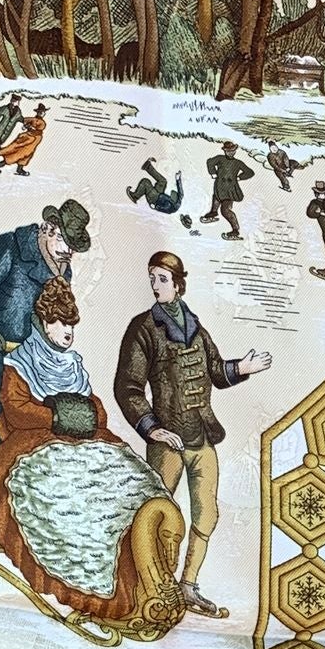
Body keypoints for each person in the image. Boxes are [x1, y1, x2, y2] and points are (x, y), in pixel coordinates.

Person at [0, 278, 183, 633]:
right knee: (72, 501)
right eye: (59, 322)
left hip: (90, 443)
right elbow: (18, 411)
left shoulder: (72, 365)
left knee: (132, 482)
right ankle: (106, 592)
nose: (67, 331)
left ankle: (149, 578)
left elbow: (98, 411)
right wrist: (61, 416)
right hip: (34, 447)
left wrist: (80, 415)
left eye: (71, 324)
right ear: (43, 323)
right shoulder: (20, 363)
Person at [113, 251, 273, 620]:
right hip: (166, 440)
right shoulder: (143, 328)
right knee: (156, 513)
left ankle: (188, 585)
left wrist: (241, 367)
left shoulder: (196, 327)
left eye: (162, 279)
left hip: (201, 436)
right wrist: (152, 428)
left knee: (207, 515)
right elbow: (128, 387)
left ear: (178, 284)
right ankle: (149, 586)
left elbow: (215, 371)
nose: (155, 286)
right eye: (152, 278)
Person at [0, 199, 89, 491]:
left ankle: (9, 486)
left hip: (33, 357)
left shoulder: (63, 269)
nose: (68, 251)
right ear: (48, 228)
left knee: (27, 419)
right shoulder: (11, 248)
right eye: (64, 241)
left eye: (73, 246)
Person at [204, 140, 253, 237]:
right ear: (225, 151)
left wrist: (239, 177)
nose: (231, 153)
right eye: (228, 151)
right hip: (219, 186)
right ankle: (213, 212)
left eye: (233, 151)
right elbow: (210, 162)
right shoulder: (220, 158)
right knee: (216, 198)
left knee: (225, 210)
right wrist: (213, 172)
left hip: (230, 190)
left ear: (235, 151)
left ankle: (235, 229)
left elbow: (250, 172)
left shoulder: (238, 163)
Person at [0, 103, 49, 176]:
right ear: (37, 112)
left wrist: (29, 126)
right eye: (40, 112)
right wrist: (27, 126)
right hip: (29, 138)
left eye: (42, 112)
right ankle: (4, 160)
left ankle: (19, 168)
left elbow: (38, 128)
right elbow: (25, 122)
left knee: (28, 154)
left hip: (35, 140)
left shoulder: (40, 122)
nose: (41, 114)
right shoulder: (33, 119)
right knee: (19, 150)